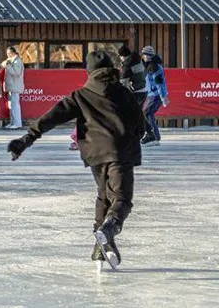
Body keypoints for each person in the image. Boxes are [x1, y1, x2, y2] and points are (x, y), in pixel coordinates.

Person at [8, 51, 145, 271]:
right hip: (121, 150)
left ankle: (99, 248)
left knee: (104, 196)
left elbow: (52, 117)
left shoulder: (81, 96)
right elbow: (140, 121)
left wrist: (27, 139)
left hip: (95, 153)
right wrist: (136, 135)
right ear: (111, 69)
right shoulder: (123, 93)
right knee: (121, 199)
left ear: (89, 72)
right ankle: (109, 228)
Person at [140, 46, 169, 146]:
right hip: (150, 94)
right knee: (147, 114)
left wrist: (163, 96)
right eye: (143, 54)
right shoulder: (148, 65)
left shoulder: (155, 66)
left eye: (145, 54)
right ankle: (154, 136)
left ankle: (153, 137)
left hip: (155, 95)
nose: (143, 56)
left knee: (146, 113)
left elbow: (159, 83)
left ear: (149, 56)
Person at [2, 47, 25, 129]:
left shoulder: (17, 61)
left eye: (9, 53)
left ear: (13, 53)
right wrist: (6, 64)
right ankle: (12, 122)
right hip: (11, 86)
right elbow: (3, 65)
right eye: (7, 54)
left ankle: (17, 123)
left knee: (15, 106)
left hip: (15, 86)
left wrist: (7, 65)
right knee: (11, 106)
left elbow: (16, 73)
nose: (8, 55)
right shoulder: (11, 61)